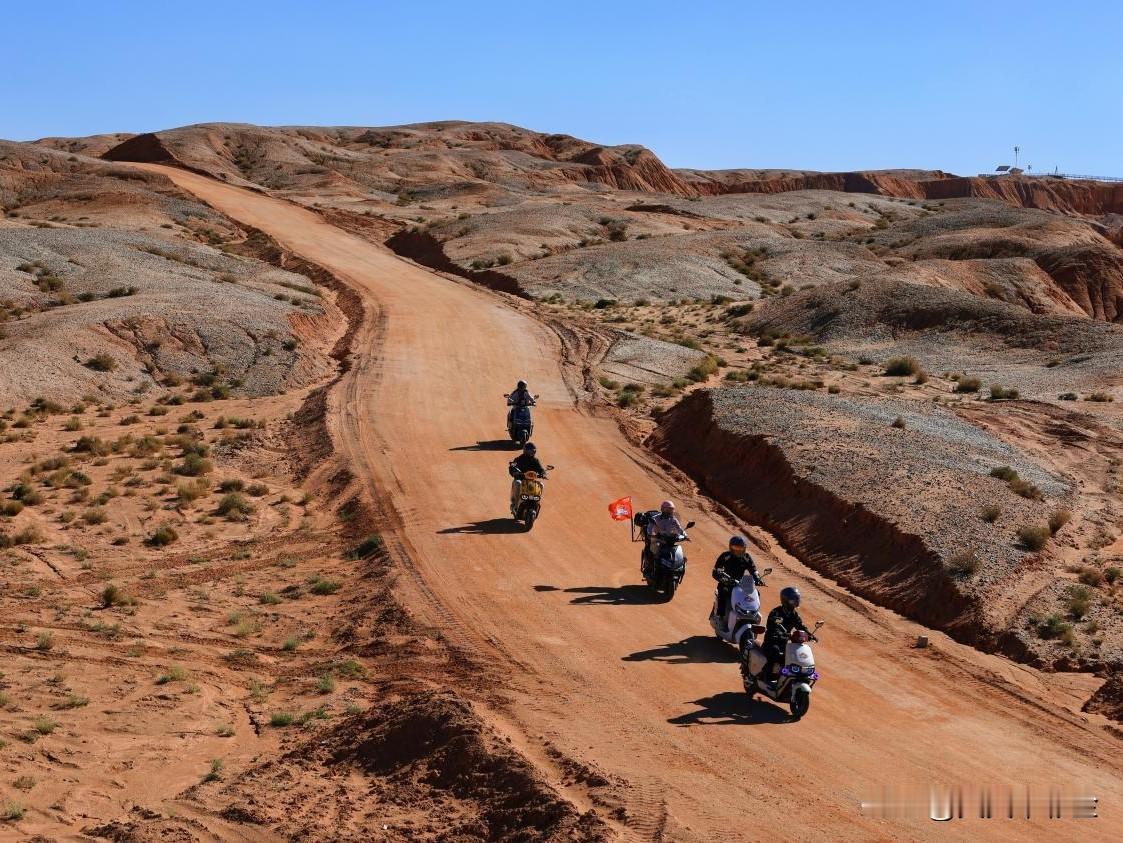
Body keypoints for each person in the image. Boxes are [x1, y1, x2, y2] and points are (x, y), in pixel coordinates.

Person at [756, 586, 810, 686]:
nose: (796, 602)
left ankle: (785, 678)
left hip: (784, 643)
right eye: (793, 600)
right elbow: (773, 626)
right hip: (772, 642)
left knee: (794, 656)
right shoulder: (776, 612)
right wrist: (780, 633)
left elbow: (800, 625)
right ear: (786, 600)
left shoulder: (794, 614)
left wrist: (808, 634)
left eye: (797, 599)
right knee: (775, 652)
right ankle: (765, 676)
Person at [712, 535, 762, 623]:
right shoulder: (725, 556)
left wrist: (757, 578)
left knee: (756, 593)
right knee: (723, 592)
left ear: (744, 548)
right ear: (731, 547)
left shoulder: (746, 557)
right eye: (735, 548)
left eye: (740, 548)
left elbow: (753, 569)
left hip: (741, 583)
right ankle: (720, 617)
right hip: (726, 582)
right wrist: (722, 577)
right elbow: (715, 571)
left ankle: (753, 614)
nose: (738, 550)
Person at [644, 500, 683, 573]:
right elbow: (649, 528)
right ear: (662, 509)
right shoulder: (655, 518)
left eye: (671, 510)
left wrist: (684, 535)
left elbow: (679, 528)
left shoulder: (673, 519)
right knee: (654, 549)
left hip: (668, 540)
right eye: (667, 509)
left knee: (677, 552)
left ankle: (676, 567)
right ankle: (649, 567)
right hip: (657, 539)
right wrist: (651, 534)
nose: (669, 512)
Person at [509, 442, 547, 510]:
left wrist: (543, 473)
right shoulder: (519, 459)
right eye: (530, 451)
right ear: (525, 451)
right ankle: (516, 505)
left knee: (541, 485)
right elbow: (512, 467)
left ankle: (536, 502)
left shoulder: (535, 460)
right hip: (521, 479)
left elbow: (540, 468)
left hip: (531, 481)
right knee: (517, 483)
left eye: (533, 451)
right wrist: (514, 472)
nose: (531, 452)